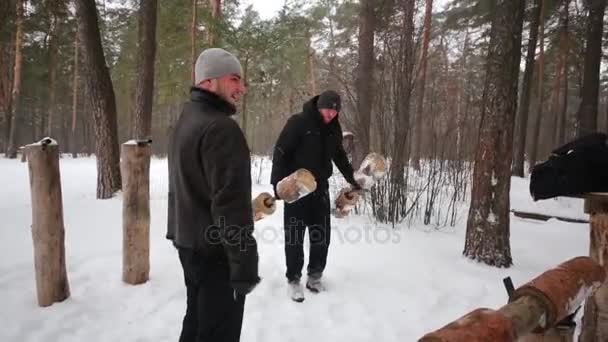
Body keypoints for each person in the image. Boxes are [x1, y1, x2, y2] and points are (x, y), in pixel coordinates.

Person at [167, 48, 260, 342]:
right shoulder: (221, 129)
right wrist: (244, 264)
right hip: (216, 254)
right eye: (234, 79)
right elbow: (229, 204)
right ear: (208, 82)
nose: (242, 88)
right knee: (218, 332)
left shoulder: (187, 118)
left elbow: (189, 186)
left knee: (196, 322)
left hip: (190, 245)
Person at [270, 90, 361, 302]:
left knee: (321, 236)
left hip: (320, 188)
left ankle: (315, 276)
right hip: (297, 187)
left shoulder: (334, 129)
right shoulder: (298, 123)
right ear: (319, 106)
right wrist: (277, 184)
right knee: (294, 236)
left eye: (335, 111)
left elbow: (338, 154)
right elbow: (281, 151)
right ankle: (294, 279)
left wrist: (351, 177)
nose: (331, 114)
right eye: (328, 109)